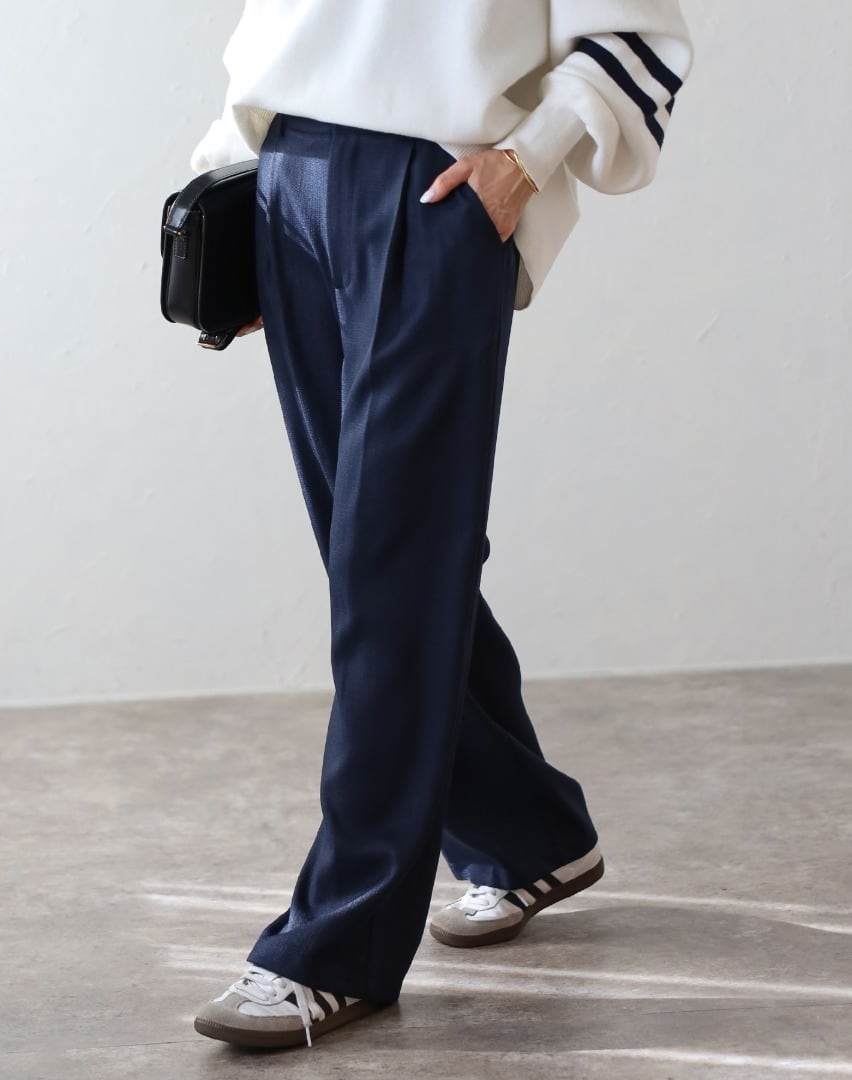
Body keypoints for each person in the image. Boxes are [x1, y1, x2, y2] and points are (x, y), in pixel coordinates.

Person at [188, 0, 693, 1051]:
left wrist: (527, 160)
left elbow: (641, 29)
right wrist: (232, 173)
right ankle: (530, 835)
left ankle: (339, 945)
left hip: (434, 186)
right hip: (290, 172)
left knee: (393, 566)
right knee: (373, 560)